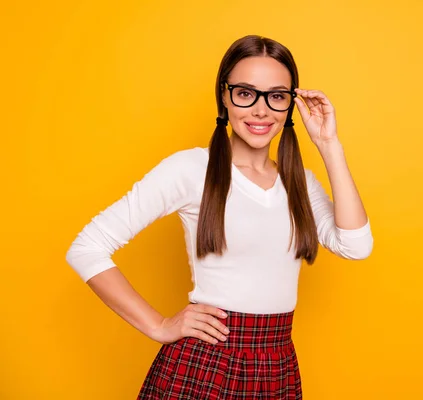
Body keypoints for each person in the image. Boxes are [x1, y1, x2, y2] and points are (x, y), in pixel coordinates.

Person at [65, 34, 373, 399]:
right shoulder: (191, 169)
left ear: (291, 105)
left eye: (276, 96)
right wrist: (159, 325)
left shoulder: (299, 182)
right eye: (246, 93)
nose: (261, 110)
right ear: (224, 97)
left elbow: (356, 246)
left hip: (276, 364)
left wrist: (328, 145)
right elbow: (87, 247)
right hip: (206, 362)